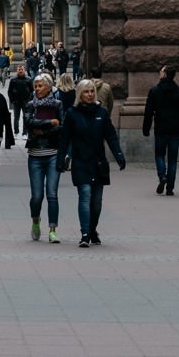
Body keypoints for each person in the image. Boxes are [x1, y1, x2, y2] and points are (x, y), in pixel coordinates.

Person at [60, 79, 125, 248]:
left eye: (91, 92)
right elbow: (65, 138)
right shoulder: (72, 113)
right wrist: (61, 159)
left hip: (98, 162)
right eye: (86, 92)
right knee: (85, 195)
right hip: (81, 162)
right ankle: (85, 233)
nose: (89, 95)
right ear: (80, 94)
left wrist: (118, 155)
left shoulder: (101, 113)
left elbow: (110, 135)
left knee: (96, 203)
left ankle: (92, 228)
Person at [22, 74, 66, 243]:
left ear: (49, 87)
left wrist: (42, 127)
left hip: (53, 154)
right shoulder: (30, 105)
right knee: (37, 196)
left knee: (52, 194)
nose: (37, 89)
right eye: (36, 86)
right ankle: (35, 220)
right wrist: (50, 123)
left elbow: (62, 126)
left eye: (40, 86)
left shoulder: (58, 104)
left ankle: (53, 230)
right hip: (35, 155)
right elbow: (29, 123)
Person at [142, 65, 179, 196]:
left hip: (161, 128)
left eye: (161, 71)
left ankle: (162, 176)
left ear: (164, 74)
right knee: (173, 159)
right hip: (175, 129)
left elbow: (148, 112)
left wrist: (146, 128)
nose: (159, 72)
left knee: (159, 155)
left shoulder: (154, 91)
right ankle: (170, 188)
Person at [7, 67, 33, 136]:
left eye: (22, 70)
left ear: (24, 70)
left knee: (25, 117)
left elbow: (32, 91)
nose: (20, 71)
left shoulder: (29, 79)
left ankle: (25, 133)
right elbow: (10, 91)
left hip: (26, 102)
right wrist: (12, 100)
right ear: (17, 71)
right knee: (16, 118)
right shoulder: (13, 80)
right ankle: (16, 132)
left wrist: (30, 100)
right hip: (16, 102)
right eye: (19, 70)